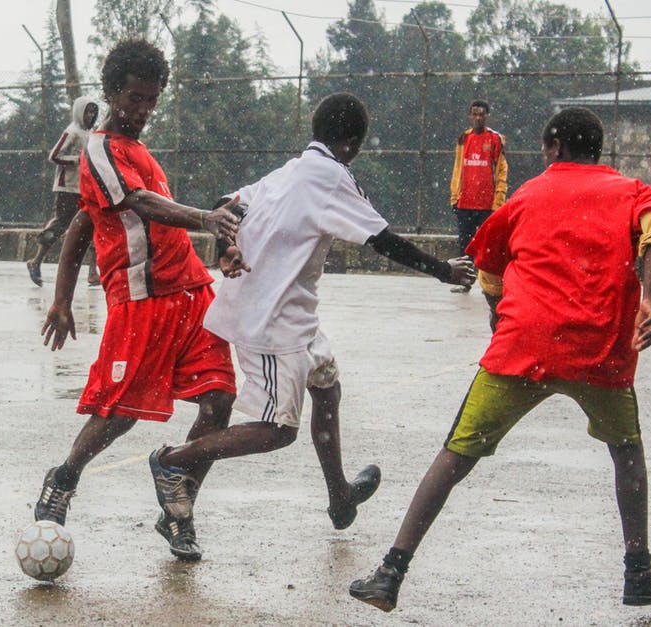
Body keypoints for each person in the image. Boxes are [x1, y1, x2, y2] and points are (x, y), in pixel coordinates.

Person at [349, 107, 651, 612]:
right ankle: (638, 571)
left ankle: (391, 571)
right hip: (600, 351)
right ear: (597, 148)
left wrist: (497, 311)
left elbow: (488, 260)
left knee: (455, 455)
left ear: (555, 148)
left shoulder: (527, 194)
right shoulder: (631, 191)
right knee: (626, 452)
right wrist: (649, 299)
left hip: (524, 345)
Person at [146, 94, 475, 544]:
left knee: (327, 386)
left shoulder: (292, 170)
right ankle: (172, 460)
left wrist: (226, 248)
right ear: (354, 144)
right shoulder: (332, 177)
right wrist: (444, 270)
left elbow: (228, 204)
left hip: (293, 312)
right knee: (277, 430)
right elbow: (382, 240)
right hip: (271, 319)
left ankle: (340, 496)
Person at [35, 38, 242, 562]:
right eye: (134, 98)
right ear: (111, 93)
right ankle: (64, 477)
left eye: (152, 99)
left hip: (193, 294)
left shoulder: (141, 153)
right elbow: (126, 206)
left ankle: (178, 504)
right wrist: (203, 217)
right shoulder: (100, 149)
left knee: (219, 400)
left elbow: (87, 221)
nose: (143, 110)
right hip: (142, 299)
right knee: (119, 412)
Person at [27, 96, 102, 288]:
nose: (91, 115)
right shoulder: (72, 132)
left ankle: (93, 272)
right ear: (79, 112)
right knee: (60, 224)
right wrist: (76, 160)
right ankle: (36, 261)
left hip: (85, 187)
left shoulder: (92, 133)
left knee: (93, 225)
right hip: (67, 187)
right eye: (87, 111)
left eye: (93, 112)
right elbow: (54, 155)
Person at [448, 99, 507, 293]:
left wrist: (498, 201)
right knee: (465, 245)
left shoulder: (495, 139)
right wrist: (455, 196)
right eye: (475, 114)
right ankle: (465, 281)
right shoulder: (463, 138)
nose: (478, 117)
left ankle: (489, 285)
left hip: (487, 204)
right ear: (470, 116)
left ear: (487, 116)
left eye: (482, 114)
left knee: (487, 246)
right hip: (465, 202)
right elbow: (458, 168)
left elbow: (501, 171)